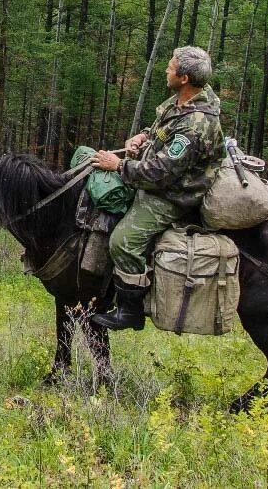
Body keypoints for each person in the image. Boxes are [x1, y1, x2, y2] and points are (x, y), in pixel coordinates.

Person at [89, 45, 223, 332]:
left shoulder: (196, 124)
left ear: (184, 77)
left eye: (171, 66)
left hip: (173, 196)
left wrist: (118, 166)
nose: (166, 69)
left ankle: (129, 310)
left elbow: (161, 173)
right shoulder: (184, 103)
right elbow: (162, 130)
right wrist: (142, 137)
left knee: (123, 241)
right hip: (157, 182)